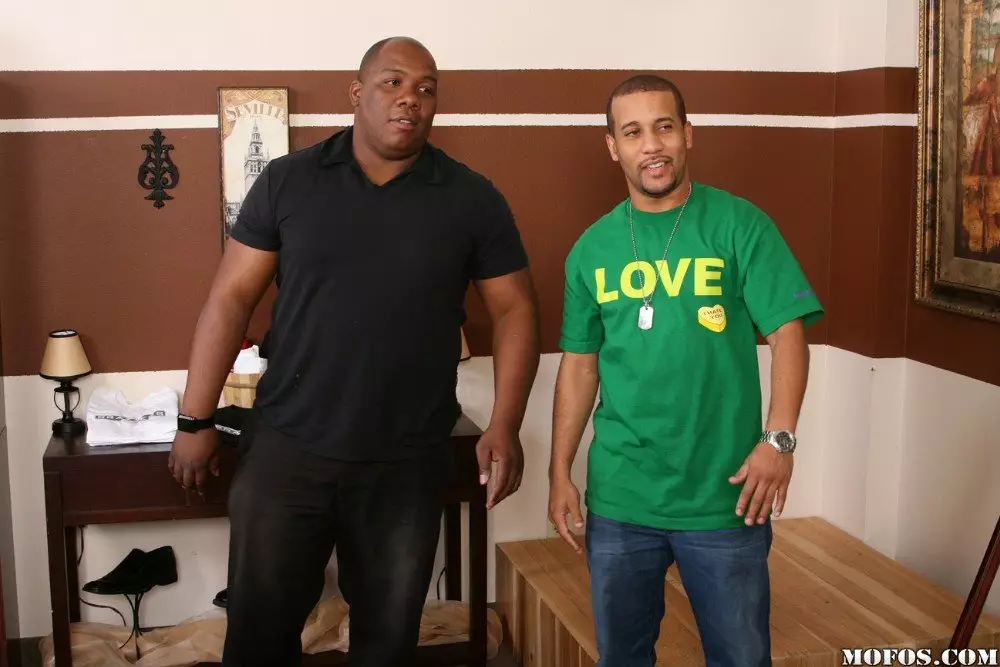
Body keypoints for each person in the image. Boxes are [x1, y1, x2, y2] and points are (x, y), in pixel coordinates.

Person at [168, 36, 540, 666]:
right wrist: (194, 419)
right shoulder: (289, 180)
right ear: (357, 92)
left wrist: (505, 424)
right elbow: (230, 300)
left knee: (386, 644)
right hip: (288, 450)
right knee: (258, 637)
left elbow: (515, 310)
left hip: (405, 460)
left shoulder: (471, 197)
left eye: (426, 89)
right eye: (393, 82)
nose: (410, 99)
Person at [547, 74, 823, 667]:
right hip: (622, 497)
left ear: (688, 134)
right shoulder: (592, 248)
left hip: (725, 497)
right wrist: (559, 471)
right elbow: (579, 367)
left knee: (740, 658)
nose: (652, 145)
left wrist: (779, 440)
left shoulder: (741, 225)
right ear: (613, 147)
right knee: (622, 658)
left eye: (664, 127)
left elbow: (788, 334)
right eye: (633, 132)